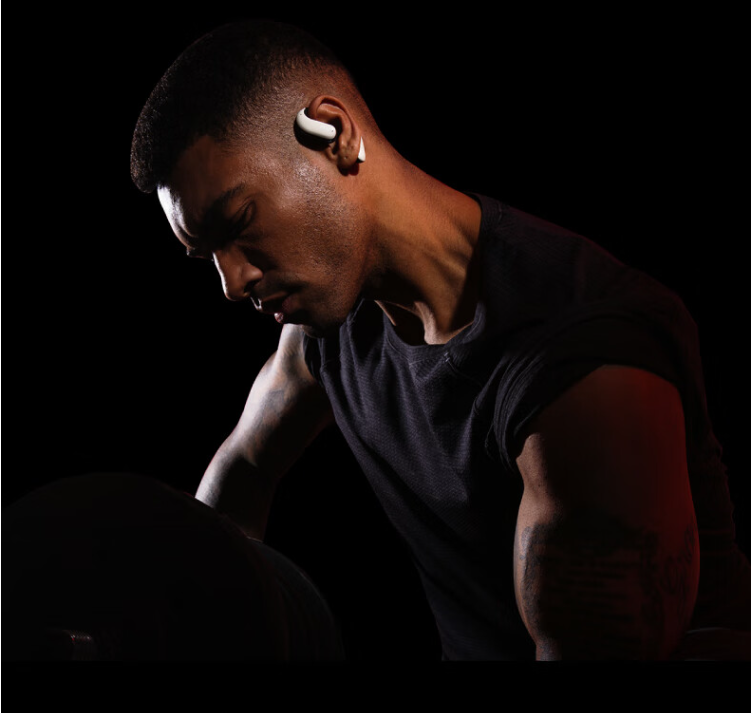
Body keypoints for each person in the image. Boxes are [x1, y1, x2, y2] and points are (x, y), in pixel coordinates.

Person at [129, 19, 750, 660]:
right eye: (206, 253)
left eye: (238, 222)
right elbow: (243, 471)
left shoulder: (584, 366)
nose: (231, 284)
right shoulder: (328, 324)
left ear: (333, 134)